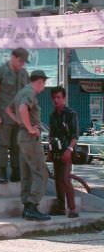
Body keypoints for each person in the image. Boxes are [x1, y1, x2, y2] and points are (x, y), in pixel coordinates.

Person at [8, 69, 51, 221]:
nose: (44, 88)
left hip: (21, 136)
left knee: (26, 173)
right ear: (39, 82)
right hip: (30, 137)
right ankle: (32, 206)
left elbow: (8, 109)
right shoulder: (30, 93)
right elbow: (22, 108)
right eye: (44, 84)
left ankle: (27, 208)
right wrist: (30, 127)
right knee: (41, 172)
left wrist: (21, 123)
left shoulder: (21, 92)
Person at [0, 48, 30, 184]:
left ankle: (16, 171)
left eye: (24, 62)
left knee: (17, 145)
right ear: (13, 57)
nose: (22, 64)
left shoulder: (24, 74)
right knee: (4, 144)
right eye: (20, 61)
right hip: (3, 116)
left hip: (19, 117)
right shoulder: (0, 71)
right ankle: (2, 172)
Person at [48, 85, 79, 218]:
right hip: (56, 151)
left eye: (58, 97)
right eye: (54, 98)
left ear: (64, 98)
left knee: (65, 180)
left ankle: (72, 209)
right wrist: (49, 151)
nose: (56, 100)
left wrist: (69, 150)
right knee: (57, 180)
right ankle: (61, 208)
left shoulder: (71, 114)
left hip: (67, 151)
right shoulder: (53, 115)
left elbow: (75, 135)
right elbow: (51, 134)